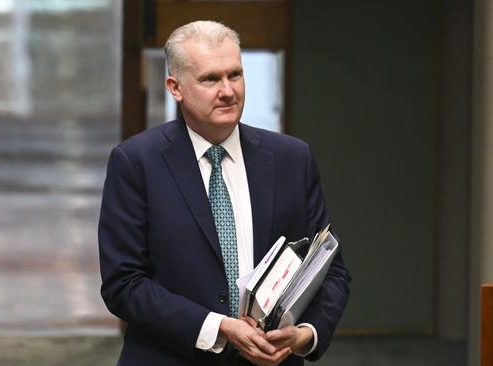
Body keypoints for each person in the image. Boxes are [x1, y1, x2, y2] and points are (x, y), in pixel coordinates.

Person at [98, 20, 351, 366]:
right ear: (175, 87)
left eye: (235, 75)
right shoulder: (136, 163)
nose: (228, 91)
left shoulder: (292, 159)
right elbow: (123, 284)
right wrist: (218, 327)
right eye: (210, 79)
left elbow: (329, 269)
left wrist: (304, 333)